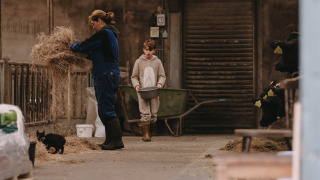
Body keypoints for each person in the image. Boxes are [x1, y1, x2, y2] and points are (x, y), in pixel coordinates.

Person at [70, 10, 123, 150]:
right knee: (105, 107)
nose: (93, 27)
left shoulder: (104, 33)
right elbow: (93, 53)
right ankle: (110, 140)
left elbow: (84, 45)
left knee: (106, 107)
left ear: (100, 20)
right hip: (107, 73)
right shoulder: (110, 35)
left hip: (106, 73)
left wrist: (72, 46)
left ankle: (116, 140)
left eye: (94, 23)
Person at [131, 39, 166, 141]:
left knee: (153, 113)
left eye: (150, 50)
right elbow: (134, 76)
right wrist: (137, 85)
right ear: (143, 50)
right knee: (145, 112)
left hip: (154, 91)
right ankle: (146, 135)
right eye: (146, 50)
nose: (148, 52)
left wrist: (160, 83)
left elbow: (162, 75)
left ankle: (151, 131)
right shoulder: (138, 62)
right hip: (142, 91)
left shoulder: (157, 62)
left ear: (154, 50)